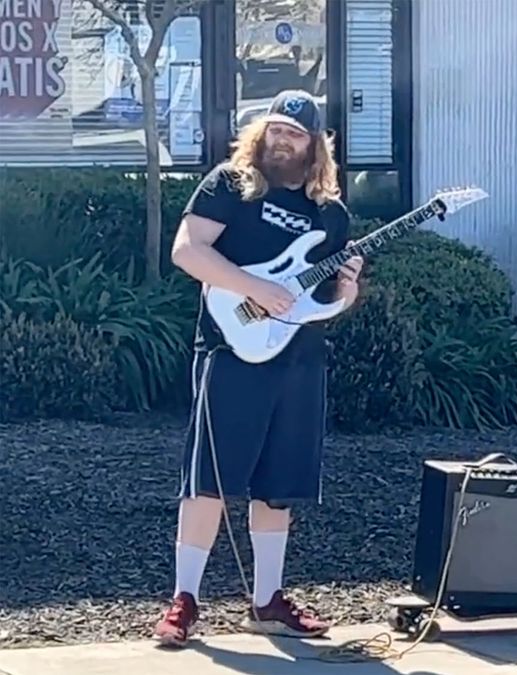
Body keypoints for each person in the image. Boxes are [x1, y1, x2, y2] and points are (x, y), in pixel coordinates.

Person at [153, 89, 364, 647]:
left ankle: (267, 601)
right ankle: (184, 600)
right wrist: (256, 289)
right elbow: (187, 251)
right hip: (230, 348)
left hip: (297, 359)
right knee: (209, 480)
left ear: (314, 145)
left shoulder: (331, 215)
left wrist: (348, 288)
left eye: (293, 134)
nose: (281, 140)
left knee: (279, 486)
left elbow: (325, 305)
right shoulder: (230, 184)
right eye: (274, 129)